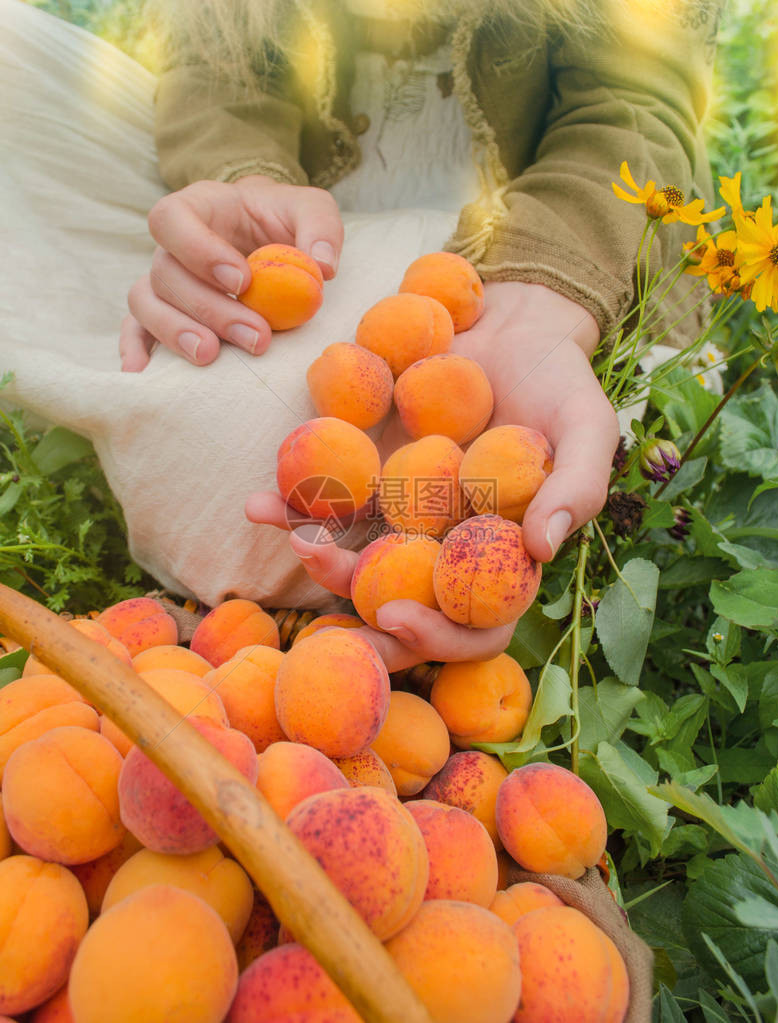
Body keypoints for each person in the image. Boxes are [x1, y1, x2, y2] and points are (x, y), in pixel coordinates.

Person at [0, 0, 720, 669]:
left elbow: (637, 106)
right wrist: (244, 182)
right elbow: (215, 57)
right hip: (322, 242)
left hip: (514, 252)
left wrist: (541, 298)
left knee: (241, 465)